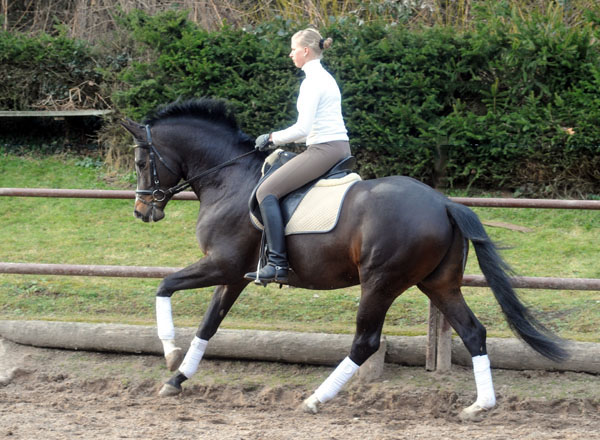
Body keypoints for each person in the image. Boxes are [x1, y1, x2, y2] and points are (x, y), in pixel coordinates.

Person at [244, 28, 351, 285]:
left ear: (305, 50)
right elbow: (308, 133)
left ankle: (277, 264)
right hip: (335, 146)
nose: (291, 54)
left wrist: (271, 137)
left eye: (293, 49)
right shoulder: (325, 78)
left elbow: (302, 129)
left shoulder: (312, 82)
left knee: (265, 192)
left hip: (324, 150)